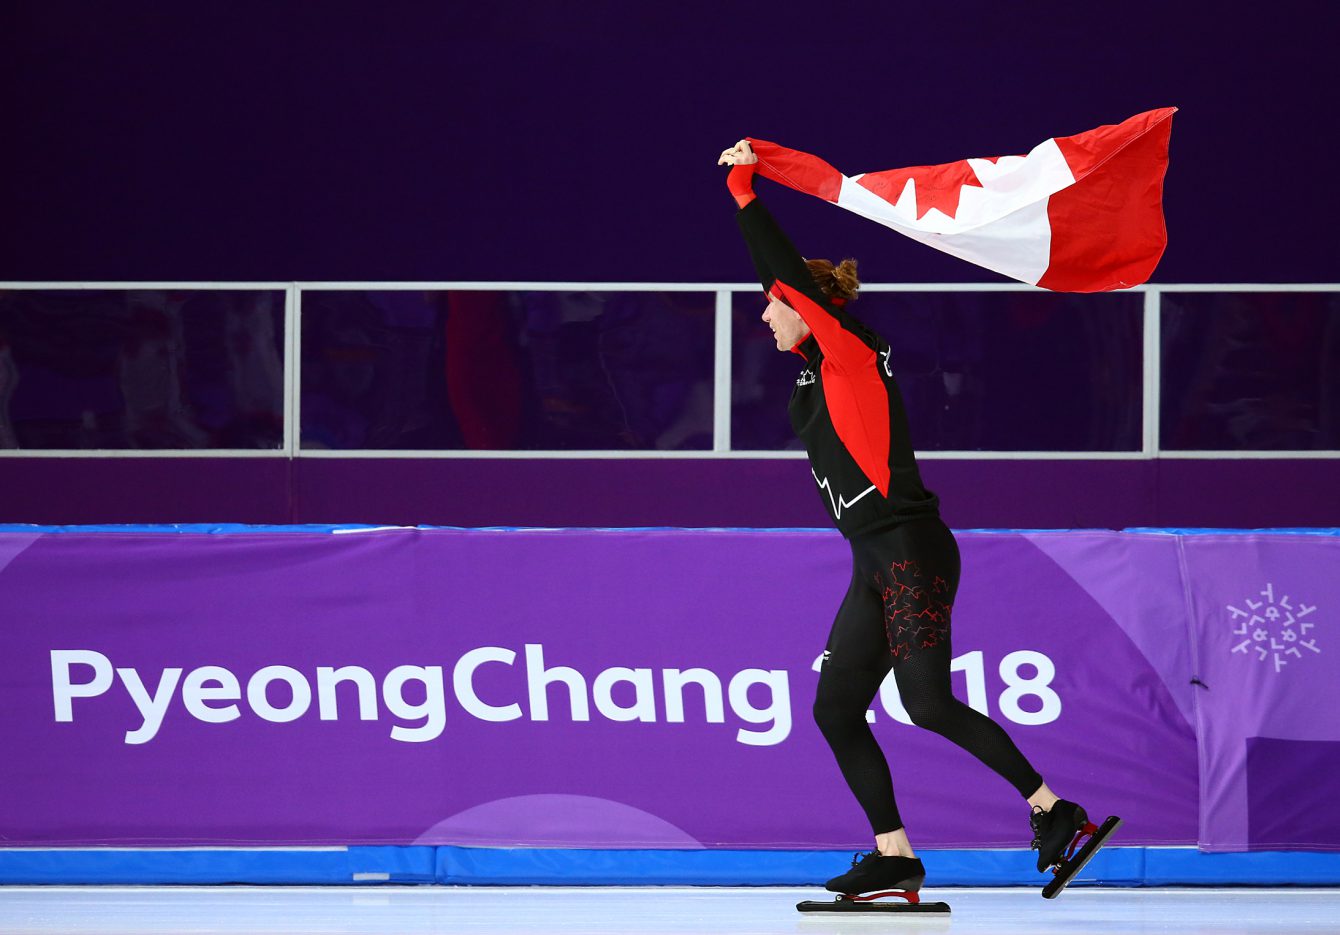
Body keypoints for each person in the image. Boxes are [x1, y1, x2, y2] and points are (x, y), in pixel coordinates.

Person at [718, 139, 1090, 897]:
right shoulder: (816, 374)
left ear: (803, 307)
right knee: (835, 707)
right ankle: (894, 854)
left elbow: (783, 275)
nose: (764, 312)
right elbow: (784, 286)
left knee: (925, 701)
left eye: (772, 304)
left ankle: (1056, 812)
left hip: (911, 549)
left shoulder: (851, 353)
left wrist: (747, 191)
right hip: (875, 560)